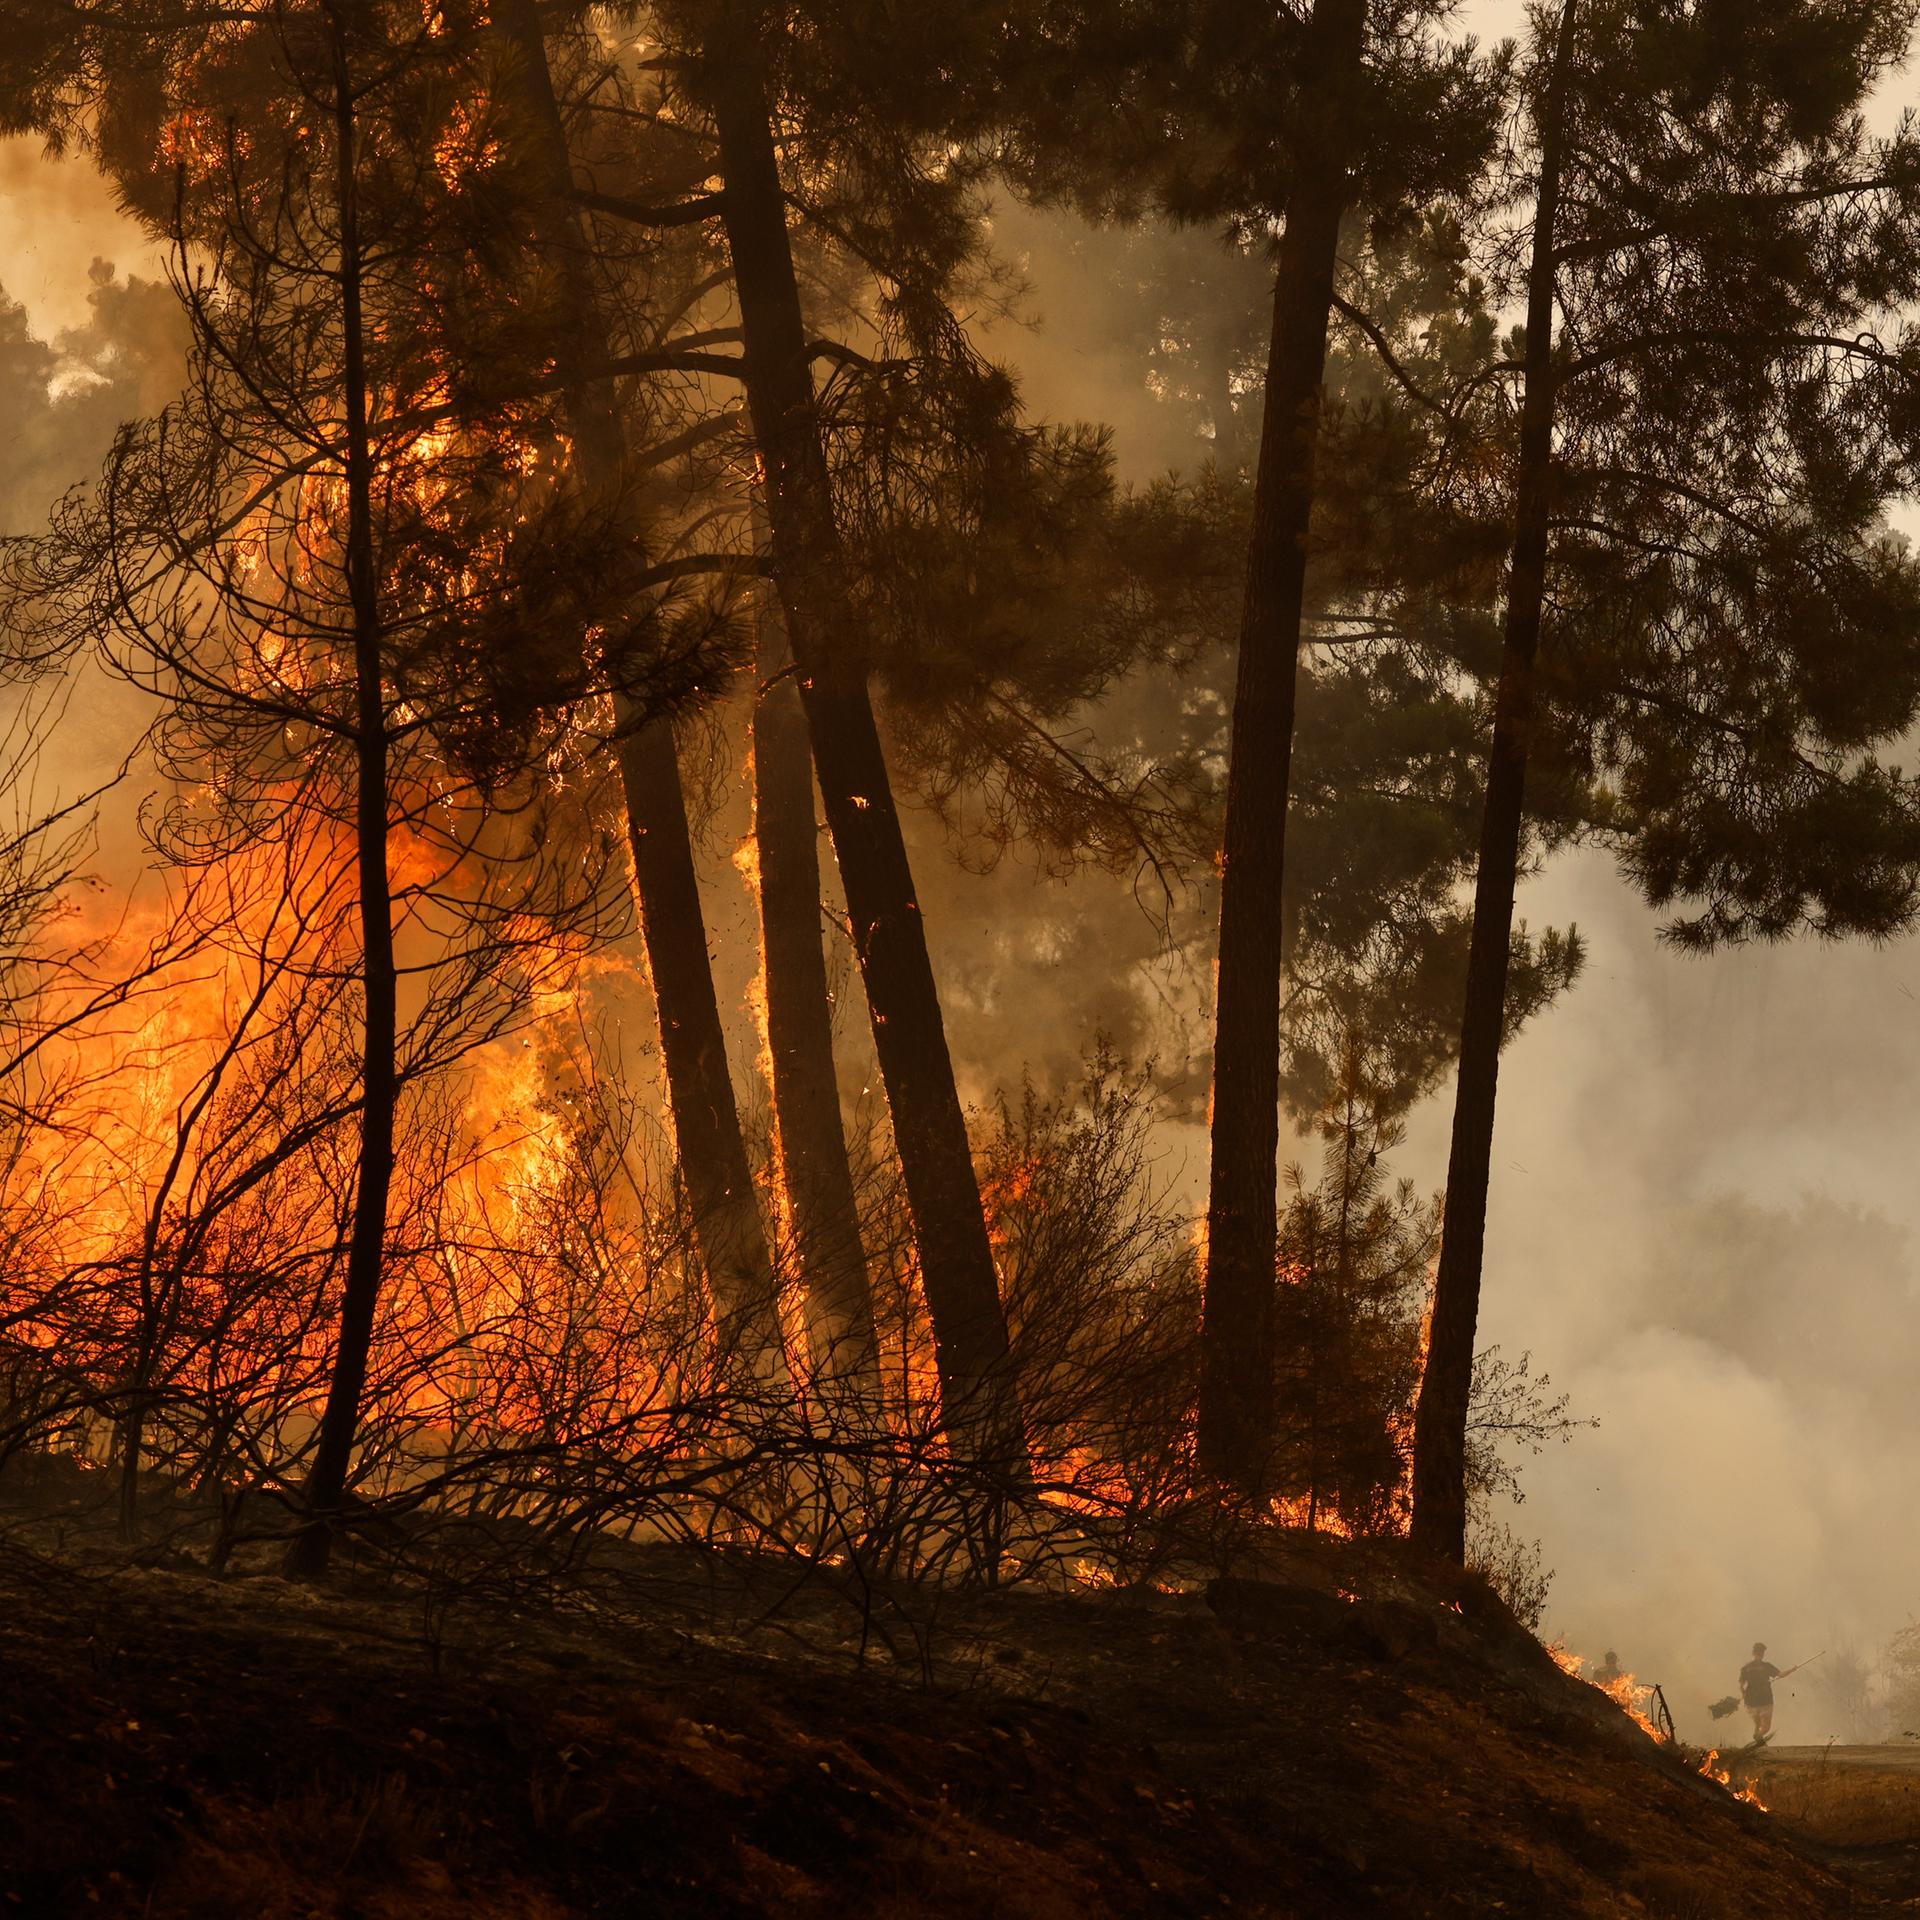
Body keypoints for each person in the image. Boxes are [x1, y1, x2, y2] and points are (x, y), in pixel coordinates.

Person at [1740, 1642, 1782, 1743]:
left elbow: (1741, 1685)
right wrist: (1793, 1669)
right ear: (1762, 1653)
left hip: (1751, 1701)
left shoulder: (1746, 1667)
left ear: (1753, 1652)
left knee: (1757, 1723)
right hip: (1765, 1700)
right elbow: (1781, 1674)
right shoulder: (1766, 1666)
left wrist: (1744, 1694)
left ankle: (1758, 1742)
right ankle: (1758, 1736)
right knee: (1766, 1727)